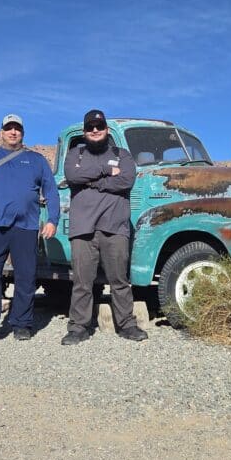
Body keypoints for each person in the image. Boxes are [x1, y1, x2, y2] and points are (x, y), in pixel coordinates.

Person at [0, 114, 59, 346]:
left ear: (23, 133)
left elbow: (51, 190)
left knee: (26, 278)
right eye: (9, 128)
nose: (13, 132)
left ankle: (22, 324)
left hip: (26, 227)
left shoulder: (36, 160)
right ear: (2, 132)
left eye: (17, 128)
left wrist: (52, 220)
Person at [61, 109, 147, 345]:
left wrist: (90, 181)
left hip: (115, 226)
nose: (95, 130)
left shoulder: (122, 154)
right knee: (82, 282)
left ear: (107, 130)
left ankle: (127, 325)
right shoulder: (75, 155)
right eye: (90, 127)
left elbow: (126, 181)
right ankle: (78, 327)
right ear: (85, 132)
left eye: (99, 126)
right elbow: (72, 176)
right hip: (83, 228)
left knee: (119, 280)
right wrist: (106, 171)